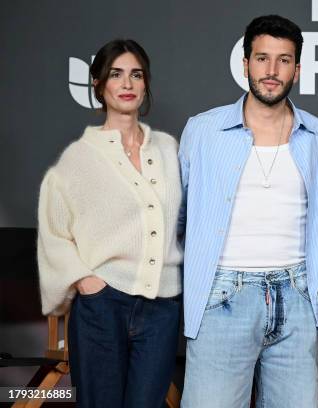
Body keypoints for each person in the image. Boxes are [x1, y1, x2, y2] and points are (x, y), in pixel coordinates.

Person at [179, 15, 318, 408]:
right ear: (245, 64)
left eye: (284, 60)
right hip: (223, 297)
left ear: (297, 69)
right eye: (262, 59)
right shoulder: (203, 130)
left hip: (297, 299)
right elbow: (177, 218)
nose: (272, 71)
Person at [37, 39, 183, 407]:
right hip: (103, 305)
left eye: (136, 75)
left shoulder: (168, 149)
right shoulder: (80, 156)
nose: (127, 84)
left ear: (146, 83)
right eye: (116, 75)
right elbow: (54, 232)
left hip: (162, 309)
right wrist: (88, 284)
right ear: (99, 85)